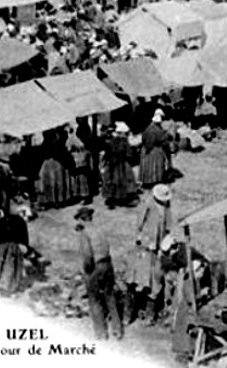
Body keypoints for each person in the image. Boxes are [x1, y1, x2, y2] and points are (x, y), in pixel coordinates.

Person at [75, 206, 123, 340]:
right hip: (108, 264)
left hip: (96, 267)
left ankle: (101, 332)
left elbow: (87, 255)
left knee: (94, 299)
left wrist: (87, 272)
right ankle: (117, 329)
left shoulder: (85, 234)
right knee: (110, 296)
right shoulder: (100, 230)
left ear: (82, 219)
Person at [0, 199, 40, 294]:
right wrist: (33, 258)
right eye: (28, 218)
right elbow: (23, 246)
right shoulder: (21, 223)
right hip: (4, 247)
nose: (27, 220)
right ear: (23, 214)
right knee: (14, 252)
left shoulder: (3, 219)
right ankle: (5, 284)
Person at [132, 184, 175, 324]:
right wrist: (140, 237)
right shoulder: (148, 204)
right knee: (146, 274)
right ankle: (144, 304)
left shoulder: (166, 206)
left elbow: (168, 223)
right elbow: (140, 222)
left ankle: (153, 308)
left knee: (157, 274)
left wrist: (168, 238)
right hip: (148, 241)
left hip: (160, 242)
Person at [101, 122, 138, 208]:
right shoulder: (124, 142)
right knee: (123, 180)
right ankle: (122, 199)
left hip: (111, 164)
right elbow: (129, 154)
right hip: (121, 164)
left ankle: (111, 199)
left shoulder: (110, 141)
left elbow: (107, 154)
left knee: (110, 180)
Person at [139, 111, 170, 188]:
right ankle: (155, 181)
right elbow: (163, 140)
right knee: (155, 166)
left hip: (145, 149)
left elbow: (143, 138)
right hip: (155, 149)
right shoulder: (158, 130)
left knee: (146, 166)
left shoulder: (147, 128)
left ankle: (146, 182)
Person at [67, 130, 93, 205]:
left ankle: (84, 197)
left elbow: (69, 149)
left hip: (81, 162)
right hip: (80, 161)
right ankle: (79, 196)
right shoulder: (74, 139)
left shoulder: (74, 140)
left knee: (82, 180)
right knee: (78, 179)